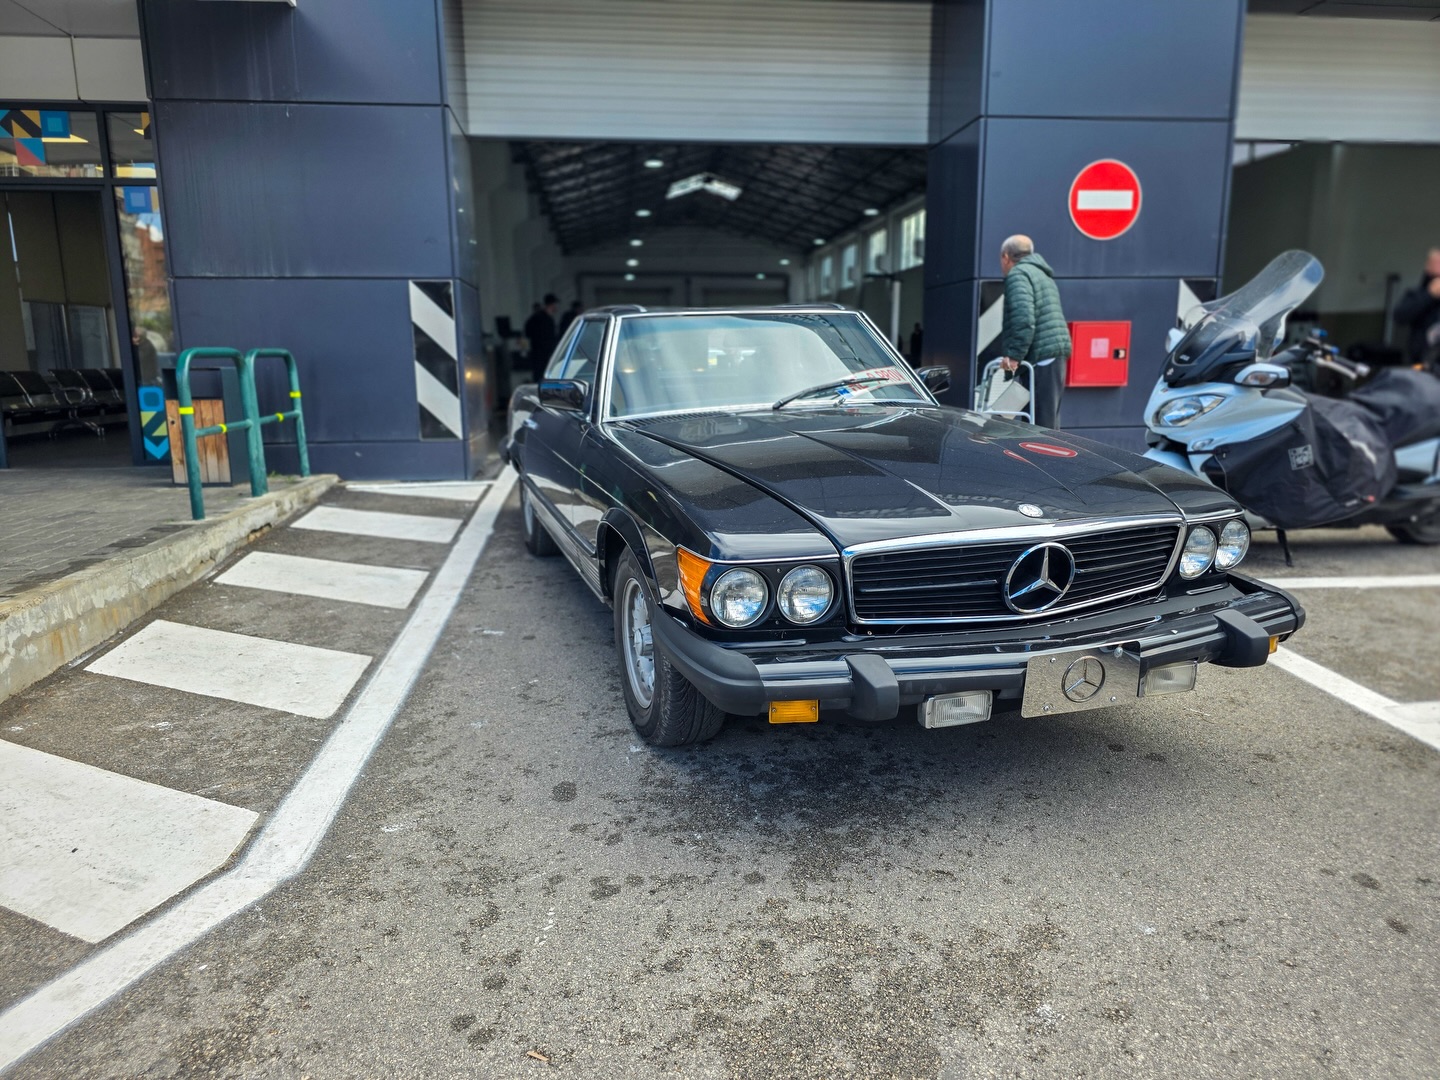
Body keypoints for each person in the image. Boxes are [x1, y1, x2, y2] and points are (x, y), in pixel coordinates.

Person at [998, 234, 1071, 428]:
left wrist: (1014, 356)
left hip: (1041, 358)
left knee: (1039, 425)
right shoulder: (1042, 274)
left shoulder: (1018, 275)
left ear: (1006, 257)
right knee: (1047, 420)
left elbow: (1024, 319)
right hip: (1052, 355)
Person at [1394, 247, 1440, 370]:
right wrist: (1429, 295)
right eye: (1435, 265)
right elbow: (1400, 316)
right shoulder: (1417, 294)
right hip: (1421, 361)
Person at [524, 294, 560, 381]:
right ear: (551, 305)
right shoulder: (545, 319)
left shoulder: (536, 317)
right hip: (543, 355)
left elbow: (527, 332)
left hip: (539, 354)